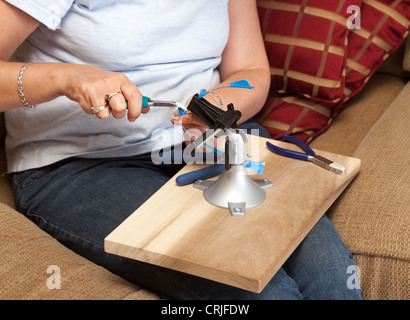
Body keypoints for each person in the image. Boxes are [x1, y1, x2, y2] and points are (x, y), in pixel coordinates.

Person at [0, 0, 361, 300]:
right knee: (265, 294)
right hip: (84, 162)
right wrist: (67, 78)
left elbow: (249, 69)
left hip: (214, 142)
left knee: (333, 281)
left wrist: (216, 106)